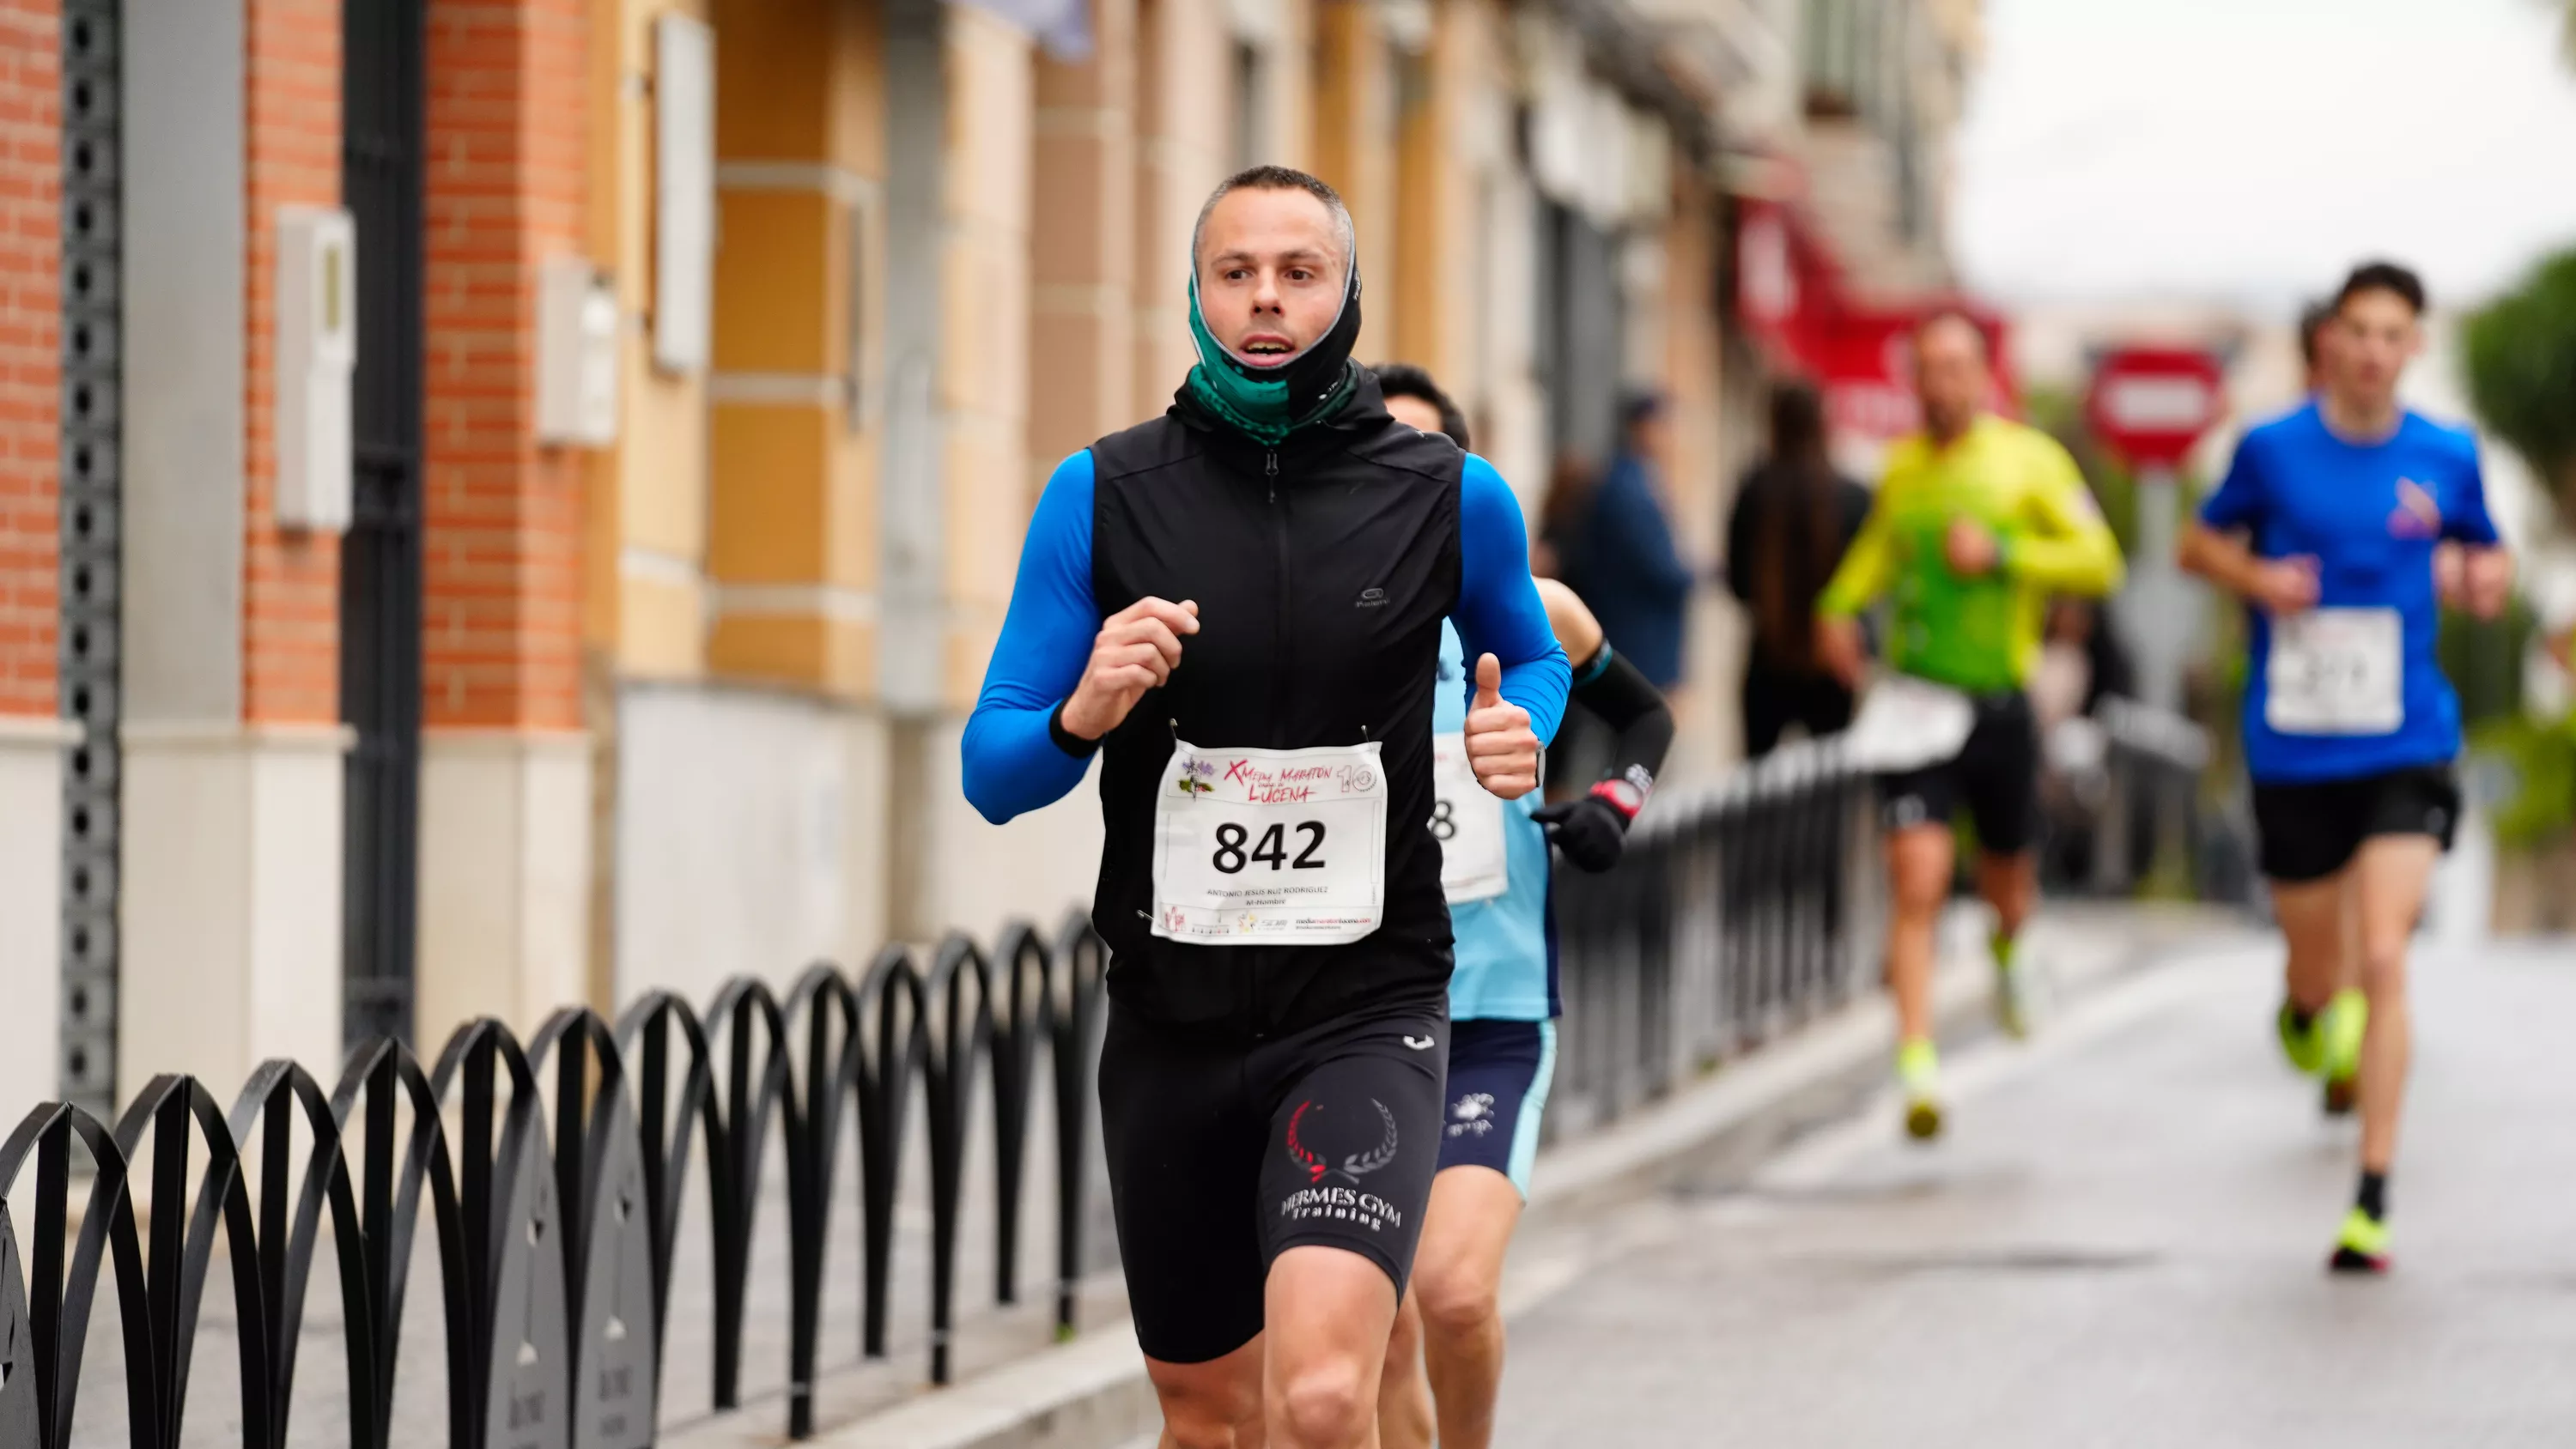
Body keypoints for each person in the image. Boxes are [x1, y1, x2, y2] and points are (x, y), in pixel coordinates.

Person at [963, 167, 1569, 1449]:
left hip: (1362, 1005)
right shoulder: (1104, 494)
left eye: (1300, 272)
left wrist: (1522, 733)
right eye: (1236, 273)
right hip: (1172, 1020)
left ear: (1345, 293)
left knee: (1325, 1395)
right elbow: (992, 766)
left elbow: (1545, 655)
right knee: (1203, 1414)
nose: (1267, 301)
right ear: (1196, 294)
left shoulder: (1449, 494)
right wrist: (1082, 709)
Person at [2178, 260, 2510, 1273]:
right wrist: (2259, 575)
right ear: (2330, 344)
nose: (2372, 349)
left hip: (2406, 736)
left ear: (2414, 345)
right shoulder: (2272, 450)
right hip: (2295, 743)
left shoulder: (2448, 453)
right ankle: (2304, 1005)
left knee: (2384, 955)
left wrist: (2481, 576)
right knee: (2320, 966)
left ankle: (2372, 1193)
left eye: (2392, 332)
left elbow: (2482, 552)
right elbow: (2197, 546)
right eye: (2357, 330)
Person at [1370, 365, 1675, 1449]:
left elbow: (1643, 719)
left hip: (1492, 1011)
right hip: (1352, 1014)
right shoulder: (1319, 627)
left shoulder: (1532, 608)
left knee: (1450, 1290)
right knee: (1383, 1323)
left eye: (1420, 464)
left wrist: (1609, 804)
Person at [1814, 312, 2125, 1139]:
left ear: (1985, 375)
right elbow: (1880, 548)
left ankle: (2009, 950)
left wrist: (2004, 553)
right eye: (1928, 368)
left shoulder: (2030, 461)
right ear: (1913, 381)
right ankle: (1917, 1062)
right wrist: (1837, 607)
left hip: (1998, 706)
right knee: (1915, 879)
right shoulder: (1903, 467)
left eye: (1957, 366)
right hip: (1916, 705)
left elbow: (2100, 559)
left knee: (2006, 883)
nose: (1942, 382)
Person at [1726, 380, 1873, 756]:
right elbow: (1870, 584)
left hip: (1768, 657)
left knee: (1758, 795)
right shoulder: (1853, 495)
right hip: (1832, 662)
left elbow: (1737, 583)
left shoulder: (1755, 487)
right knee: (1827, 791)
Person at [1571, 393, 1693, 693]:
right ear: (1643, 428)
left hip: (1642, 642)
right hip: (1639, 644)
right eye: (1664, 426)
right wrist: (1698, 571)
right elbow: (1660, 567)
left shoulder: (1639, 480)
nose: (1671, 437)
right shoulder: (1629, 488)